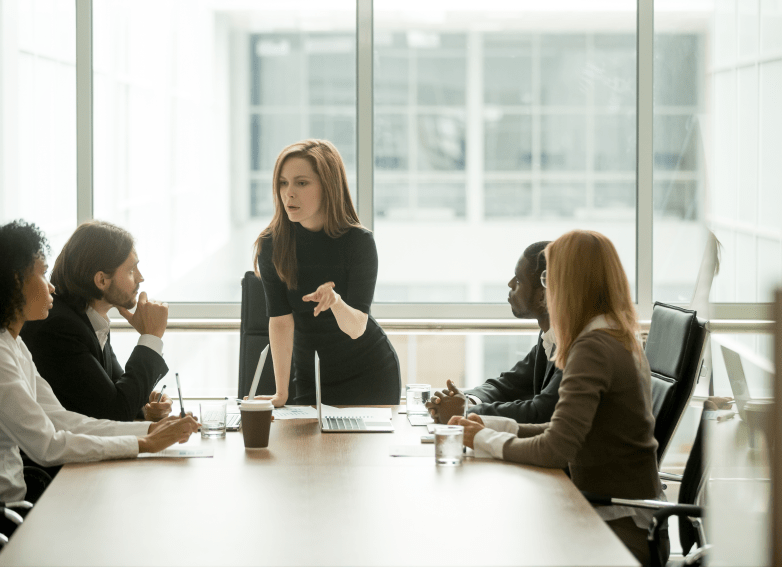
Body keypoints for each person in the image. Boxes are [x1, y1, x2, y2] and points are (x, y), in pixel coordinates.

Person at [450, 230, 667, 567]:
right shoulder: (607, 334)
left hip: (619, 527)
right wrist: (489, 425)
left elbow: (555, 448)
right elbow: (559, 429)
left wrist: (484, 438)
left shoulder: (594, 347)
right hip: (605, 510)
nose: (547, 288)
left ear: (570, 283)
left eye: (549, 278)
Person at [0, 220, 198, 528]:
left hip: (19, 504)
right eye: (40, 272)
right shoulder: (23, 344)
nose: (50, 284)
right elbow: (49, 444)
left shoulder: (13, 345)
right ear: (14, 282)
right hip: (11, 511)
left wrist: (148, 432)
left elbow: (63, 419)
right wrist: (144, 444)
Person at [252, 139, 400, 406]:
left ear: (328, 187)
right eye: (283, 183)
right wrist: (281, 393)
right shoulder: (271, 244)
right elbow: (281, 321)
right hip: (312, 375)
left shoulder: (359, 242)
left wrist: (336, 302)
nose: (289, 193)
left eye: (302, 183)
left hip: (370, 375)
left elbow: (356, 327)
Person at [21, 220, 172, 422]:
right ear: (101, 280)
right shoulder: (60, 328)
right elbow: (115, 411)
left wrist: (146, 406)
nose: (140, 278)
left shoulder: (90, 319)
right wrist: (151, 338)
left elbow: (116, 392)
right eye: (131, 271)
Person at [425, 241, 562, 425]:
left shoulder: (575, 344)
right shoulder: (548, 336)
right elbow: (507, 385)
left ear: (542, 296)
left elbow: (541, 411)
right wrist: (467, 400)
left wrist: (465, 411)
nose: (510, 283)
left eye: (519, 280)